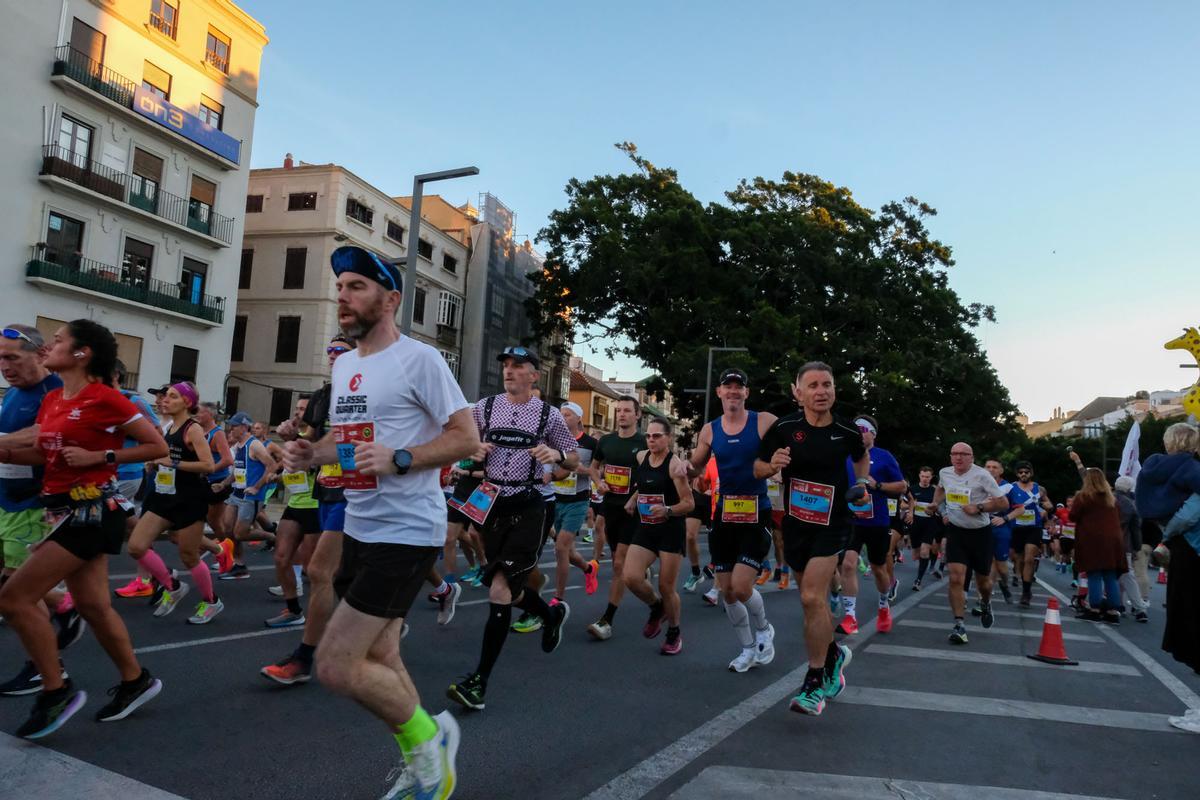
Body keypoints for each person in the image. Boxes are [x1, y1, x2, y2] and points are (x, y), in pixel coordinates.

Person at [281, 246, 478, 796]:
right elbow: (346, 443)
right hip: (359, 525)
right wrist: (310, 453)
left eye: (357, 286)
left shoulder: (421, 360)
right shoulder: (346, 364)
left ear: (390, 300)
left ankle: (432, 741)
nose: (343, 296)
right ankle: (426, 765)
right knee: (382, 655)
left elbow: (466, 438)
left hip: (406, 530)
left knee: (336, 666)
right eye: (340, 286)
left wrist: (402, 458)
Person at [0, 319, 168, 738]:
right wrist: (6, 453)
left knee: (15, 598)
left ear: (82, 352)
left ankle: (55, 690)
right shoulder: (53, 398)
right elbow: (47, 454)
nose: (49, 346)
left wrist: (100, 457)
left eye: (57, 340)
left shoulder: (105, 398)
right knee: (93, 606)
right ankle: (136, 680)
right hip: (60, 510)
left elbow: (157, 446)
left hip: (91, 510)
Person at [446, 345, 577, 711]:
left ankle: (479, 682)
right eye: (505, 364)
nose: (509, 370)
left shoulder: (549, 415)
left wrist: (556, 456)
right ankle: (550, 615)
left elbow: (573, 459)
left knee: (500, 588)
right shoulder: (484, 407)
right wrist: (472, 451)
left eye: (518, 365)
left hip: (530, 505)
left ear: (534, 375)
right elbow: (460, 442)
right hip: (491, 503)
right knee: (508, 589)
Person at [753, 361, 869, 716]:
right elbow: (757, 467)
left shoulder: (847, 430)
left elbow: (861, 458)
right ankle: (834, 655)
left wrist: (860, 483)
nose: (821, 391)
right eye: (814, 385)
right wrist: (772, 465)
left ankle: (814, 682)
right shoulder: (785, 427)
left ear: (834, 389)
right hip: (796, 524)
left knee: (810, 595)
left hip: (833, 523)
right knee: (812, 603)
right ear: (798, 392)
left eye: (827, 385)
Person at [262, 334, 354, 686]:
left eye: (340, 350)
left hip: (358, 492)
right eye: (329, 350)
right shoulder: (322, 395)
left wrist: (336, 455)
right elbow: (310, 442)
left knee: (318, 570)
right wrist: (292, 436)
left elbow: (363, 442)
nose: (332, 355)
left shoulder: (367, 392)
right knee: (338, 574)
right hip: (325, 490)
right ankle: (381, 622)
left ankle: (304, 658)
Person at [682, 368, 778, 670]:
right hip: (724, 514)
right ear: (720, 392)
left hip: (756, 513)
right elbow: (697, 466)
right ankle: (747, 649)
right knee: (726, 590)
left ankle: (764, 629)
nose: (734, 391)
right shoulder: (710, 430)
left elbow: (790, 445)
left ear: (746, 392)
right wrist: (684, 469)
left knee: (741, 586)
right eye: (728, 386)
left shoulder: (764, 421)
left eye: (739, 386)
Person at [126, 382, 222, 624]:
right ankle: (173, 586)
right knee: (136, 546)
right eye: (166, 396)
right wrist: (155, 462)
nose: (165, 400)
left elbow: (209, 465)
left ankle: (211, 601)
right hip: (164, 496)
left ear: (187, 403)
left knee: (189, 556)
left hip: (189, 499)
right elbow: (168, 456)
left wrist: (173, 464)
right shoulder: (169, 426)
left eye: (173, 396)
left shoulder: (193, 429)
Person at [1135, 422, 1200, 734]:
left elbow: (1186, 515)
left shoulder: (1155, 471)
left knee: (1190, 624)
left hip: (1187, 553)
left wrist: (1168, 533)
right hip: (1191, 551)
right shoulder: (1192, 472)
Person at [623, 417, 693, 654]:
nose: (651, 440)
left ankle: (674, 632)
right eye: (649, 436)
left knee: (666, 586)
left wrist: (668, 510)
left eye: (657, 436)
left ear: (669, 438)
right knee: (631, 577)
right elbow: (644, 486)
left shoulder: (675, 466)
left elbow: (689, 503)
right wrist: (633, 499)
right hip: (646, 527)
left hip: (670, 530)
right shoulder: (641, 457)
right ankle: (657, 607)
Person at [932, 442, 1011, 644]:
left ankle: (986, 602)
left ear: (972, 457)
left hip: (980, 534)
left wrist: (979, 507)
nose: (958, 457)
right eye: (954, 454)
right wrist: (935, 504)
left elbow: (1003, 503)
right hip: (956, 531)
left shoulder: (982, 475)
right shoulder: (945, 473)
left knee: (983, 582)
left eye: (963, 454)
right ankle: (959, 625)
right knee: (956, 578)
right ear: (950, 457)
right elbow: (941, 489)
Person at [837, 415, 906, 636]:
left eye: (862, 430)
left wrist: (878, 485)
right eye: (855, 429)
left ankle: (884, 606)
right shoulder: (846, 455)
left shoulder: (884, 457)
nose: (858, 433)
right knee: (848, 565)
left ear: (873, 434)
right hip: (852, 520)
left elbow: (902, 486)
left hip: (877, 522)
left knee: (878, 569)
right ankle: (850, 617)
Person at [586, 396, 646, 640]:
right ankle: (655, 603)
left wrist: (635, 496)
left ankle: (607, 620)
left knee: (619, 564)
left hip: (633, 510)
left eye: (627, 411)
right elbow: (593, 468)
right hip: (610, 507)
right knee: (617, 563)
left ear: (637, 415)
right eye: (619, 410)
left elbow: (653, 474)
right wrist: (598, 482)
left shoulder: (644, 442)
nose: (621, 414)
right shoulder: (606, 441)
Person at [266, 395, 322, 629]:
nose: (299, 412)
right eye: (297, 408)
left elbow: (314, 461)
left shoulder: (319, 436)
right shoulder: (295, 435)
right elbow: (290, 467)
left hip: (317, 505)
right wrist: (278, 475)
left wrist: (293, 439)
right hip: (295, 503)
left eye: (304, 409)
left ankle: (346, 612)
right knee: (281, 558)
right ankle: (294, 611)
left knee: (313, 568)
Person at [550, 402, 600, 603]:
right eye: (561, 414)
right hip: (556, 499)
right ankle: (589, 568)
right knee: (569, 552)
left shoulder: (591, 443)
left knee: (560, 548)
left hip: (577, 501)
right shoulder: (554, 439)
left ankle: (558, 598)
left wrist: (584, 470)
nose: (563, 418)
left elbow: (600, 471)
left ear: (579, 418)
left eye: (568, 415)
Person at [220, 412, 278, 580]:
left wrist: (256, 487)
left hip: (251, 497)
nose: (231, 429)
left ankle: (273, 536)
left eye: (234, 426)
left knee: (240, 533)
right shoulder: (239, 445)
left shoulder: (255, 445)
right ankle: (239, 565)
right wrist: (224, 483)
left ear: (244, 427)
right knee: (228, 529)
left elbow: (272, 465)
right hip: (236, 493)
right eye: (230, 425)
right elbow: (238, 471)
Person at [1068, 467, 1128, 623]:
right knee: (1110, 576)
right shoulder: (1111, 499)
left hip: (1092, 540)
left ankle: (1094, 609)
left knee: (1094, 574)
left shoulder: (1084, 497)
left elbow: (1073, 516)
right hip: (1113, 540)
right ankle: (1113, 611)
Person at [1008, 461, 1054, 606]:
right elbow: (1003, 504)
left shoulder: (1039, 489)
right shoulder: (1011, 488)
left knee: (1029, 559)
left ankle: (1026, 592)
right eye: (1020, 472)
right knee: (1019, 559)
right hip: (1017, 528)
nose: (1023, 474)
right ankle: (1025, 584)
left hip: (1034, 528)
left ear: (1031, 473)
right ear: (1017, 474)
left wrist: (1047, 506)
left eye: (1026, 472)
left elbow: (1049, 504)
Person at [1112, 475, 1147, 622]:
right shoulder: (1131, 505)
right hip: (1123, 544)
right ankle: (1139, 609)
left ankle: (1112, 605)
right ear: (1129, 489)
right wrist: (1137, 548)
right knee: (1128, 576)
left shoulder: (1107, 499)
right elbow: (1135, 530)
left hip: (1105, 543)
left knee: (1106, 575)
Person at [906, 467, 942, 590]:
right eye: (923, 476)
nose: (925, 479)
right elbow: (902, 504)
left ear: (931, 477)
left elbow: (940, 507)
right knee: (916, 554)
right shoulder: (913, 489)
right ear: (919, 476)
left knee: (924, 551)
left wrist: (934, 509)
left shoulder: (935, 491)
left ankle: (918, 581)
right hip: (915, 524)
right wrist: (912, 505)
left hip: (930, 524)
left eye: (927, 477)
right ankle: (925, 560)